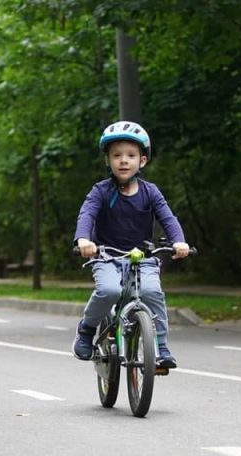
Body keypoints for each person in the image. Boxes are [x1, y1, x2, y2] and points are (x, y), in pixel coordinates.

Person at [72, 121, 191, 368]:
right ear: (108, 161)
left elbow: (168, 218)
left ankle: (160, 347)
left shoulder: (151, 192)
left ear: (142, 161)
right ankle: (86, 329)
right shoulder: (101, 191)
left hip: (142, 257)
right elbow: (87, 214)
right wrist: (84, 240)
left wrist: (179, 241)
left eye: (130, 155)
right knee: (110, 291)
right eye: (116, 156)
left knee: (151, 292)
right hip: (106, 256)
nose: (123, 161)